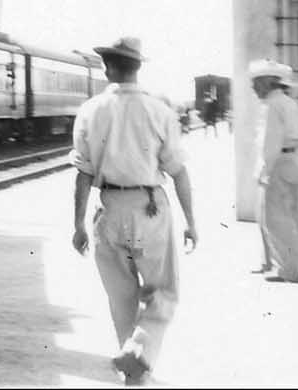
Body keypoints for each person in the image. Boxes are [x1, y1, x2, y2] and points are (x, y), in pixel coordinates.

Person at [70, 36, 197, 386]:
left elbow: (82, 174)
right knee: (162, 292)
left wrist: (78, 224)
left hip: (108, 209)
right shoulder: (160, 110)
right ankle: (138, 352)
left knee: (120, 296)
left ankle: (133, 371)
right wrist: (191, 222)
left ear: (109, 67)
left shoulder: (90, 109)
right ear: (138, 68)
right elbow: (179, 172)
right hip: (149, 208)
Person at [249, 59, 298, 283]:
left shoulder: (271, 105)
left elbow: (269, 143)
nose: (253, 87)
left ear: (268, 82)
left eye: (256, 82)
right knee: (291, 219)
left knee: (275, 219)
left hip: (277, 165)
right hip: (292, 161)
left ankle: (286, 270)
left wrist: (264, 172)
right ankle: (287, 266)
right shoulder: (289, 103)